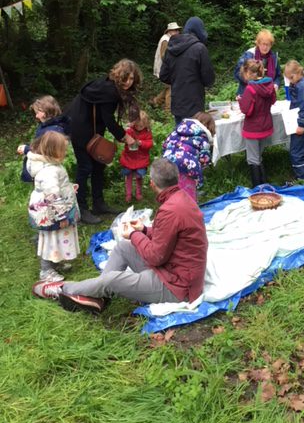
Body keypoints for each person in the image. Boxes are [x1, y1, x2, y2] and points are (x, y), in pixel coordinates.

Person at [31, 159, 209, 316]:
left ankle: (61, 289)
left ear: (152, 184)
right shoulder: (181, 198)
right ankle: (99, 294)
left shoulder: (171, 210)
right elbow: (168, 236)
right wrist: (144, 230)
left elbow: (155, 256)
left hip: (177, 287)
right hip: (172, 269)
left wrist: (134, 234)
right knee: (124, 247)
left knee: (112, 279)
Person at [66, 59, 142, 224]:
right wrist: (125, 136)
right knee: (85, 167)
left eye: (131, 79)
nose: (128, 83)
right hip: (80, 127)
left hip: (92, 128)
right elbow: (108, 119)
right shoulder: (108, 90)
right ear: (118, 75)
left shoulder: (109, 86)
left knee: (98, 165)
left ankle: (99, 204)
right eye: (126, 78)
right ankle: (82, 209)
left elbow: (104, 114)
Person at [27, 131, 80, 283]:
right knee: (50, 239)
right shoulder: (49, 170)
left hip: (52, 210)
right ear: (54, 150)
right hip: (51, 213)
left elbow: (56, 188)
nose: (65, 153)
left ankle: (56, 261)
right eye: (63, 150)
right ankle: (46, 271)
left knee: (57, 238)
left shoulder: (51, 165)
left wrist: (69, 188)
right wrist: (61, 216)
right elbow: (52, 195)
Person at [160, 17, 215, 126]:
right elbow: (209, 79)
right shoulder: (200, 48)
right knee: (193, 139)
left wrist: (178, 80)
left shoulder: (171, 47)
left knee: (180, 138)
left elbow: (163, 75)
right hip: (195, 104)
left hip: (177, 102)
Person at [238, 59, 277, 187]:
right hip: (266, 125)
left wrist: (240, 100)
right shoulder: (269, 85)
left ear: (248, 73)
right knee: (258, 157)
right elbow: (272, 101)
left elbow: (246, 110)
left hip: (253, 128)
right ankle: (264, 185)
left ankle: (257, 189)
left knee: (253, 159)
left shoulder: (250, 89)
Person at [162, 111, 216, 201]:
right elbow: (204, 159)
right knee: (188, 189)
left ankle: (171, 205)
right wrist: (200, 167)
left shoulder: (177, 131)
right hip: (188, 166)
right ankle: (189, 208)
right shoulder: (203, 138)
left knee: (172, 187)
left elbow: (165, 145)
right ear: (208, 127)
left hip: (168, 163)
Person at [17, 95, 70, 182]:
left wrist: (26, 149)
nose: (36, 116)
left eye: (38, 112)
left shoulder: (53, 130)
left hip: (46, 172)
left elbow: (47, 153)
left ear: (46, 111)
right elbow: (40, 145)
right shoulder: (46, 126)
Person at [234, 29, 281, 97]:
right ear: (258, 43)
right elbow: (237, 73)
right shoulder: (249, 55)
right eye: (263, 44)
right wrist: (254, 82)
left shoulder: (274, 58)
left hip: (266, 95)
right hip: (247, 94)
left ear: (271, 45)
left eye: (268, 45)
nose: (265, 47)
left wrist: (276, 84)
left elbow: (278, 75)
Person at [119, 110, 154, 202]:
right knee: (128, 176)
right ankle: (128, 194)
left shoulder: (147, 132)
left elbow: (150, 143)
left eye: (141, 126)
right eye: (137, 125)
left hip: (141, 159)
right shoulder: (130, 131)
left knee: (139, 176)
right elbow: (122, 137)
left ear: (146, 124)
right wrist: (127, 131)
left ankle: (138, 193)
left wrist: (141, 143)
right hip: (129, 158)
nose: (138, 128)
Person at [152, 21, 182, 111]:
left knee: (168, 87)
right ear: (170, 31)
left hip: (165, 68)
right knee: (171, 88)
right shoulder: (165, 40)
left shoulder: (169, 39)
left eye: (178, 30)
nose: (178, 32)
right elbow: (164, 56)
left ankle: (155, 102)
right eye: (176, 30)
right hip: (164, 69)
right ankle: (168, 112)